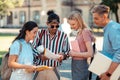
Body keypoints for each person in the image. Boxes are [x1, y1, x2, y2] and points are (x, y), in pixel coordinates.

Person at [32, 12, 70, 80]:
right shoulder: (40, 33)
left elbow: (67, 52)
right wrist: (40, 56)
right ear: (47, 23)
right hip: (41, 69)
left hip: (54, 69)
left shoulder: (63, 36)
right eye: (52, 26)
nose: (54, 28)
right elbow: (33, 49)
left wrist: (63, 56)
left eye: (57, 26)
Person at [92, 5, 120, 80]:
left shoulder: (113, 29)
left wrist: (108, 74)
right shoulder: (109, 28)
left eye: (96, 18)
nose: (94, 21)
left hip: (113, 73)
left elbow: (119, 52)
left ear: (104, 16)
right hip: (108, 70)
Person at [68, 11, 95, 80]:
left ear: (79, 21)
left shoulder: (85, 32)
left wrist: (75, 53)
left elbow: (90, 53)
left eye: (73, 24)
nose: (71, 27)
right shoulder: (79, 32)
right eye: (70, 25)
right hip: (76, 64)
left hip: (81, 65)